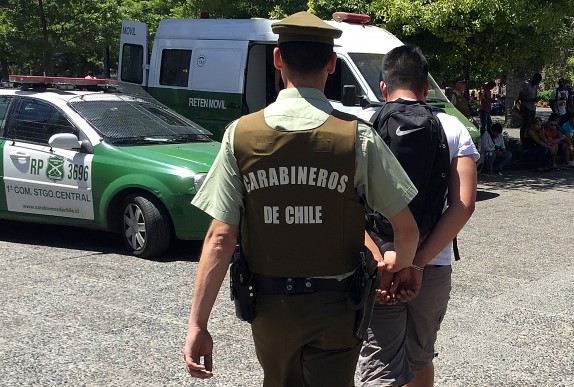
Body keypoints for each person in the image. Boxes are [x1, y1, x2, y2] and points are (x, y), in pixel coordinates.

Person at [182, 12, 420, 387]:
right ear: (331, 63)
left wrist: (198, 324)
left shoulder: (240, 135)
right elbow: (406, 230)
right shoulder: (356, 136)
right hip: (337, 305)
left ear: (278, 59)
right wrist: (396, 268)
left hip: (271, 305)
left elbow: (220, 238)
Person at [358, 45, 479, 387]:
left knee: (380, 360)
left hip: (378, 264)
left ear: (384, 87)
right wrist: (417, 263)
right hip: (432, 264)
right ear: (427, 88)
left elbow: (345, 202)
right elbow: (464, 204)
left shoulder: (363, 125)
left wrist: (379, 256)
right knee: (421, 355)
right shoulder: (452, 128)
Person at [519, 73, 542, 141]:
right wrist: (532, 100)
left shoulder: (534, 87)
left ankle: (528, 138)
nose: (537, 83)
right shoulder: (526, 84)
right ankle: (522, 139)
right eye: (537, 81)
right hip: (525, 107)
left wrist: (536, 99)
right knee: (525, 124)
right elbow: (521, 97)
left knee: (531, 125)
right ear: (534, 78)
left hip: (532, 107)